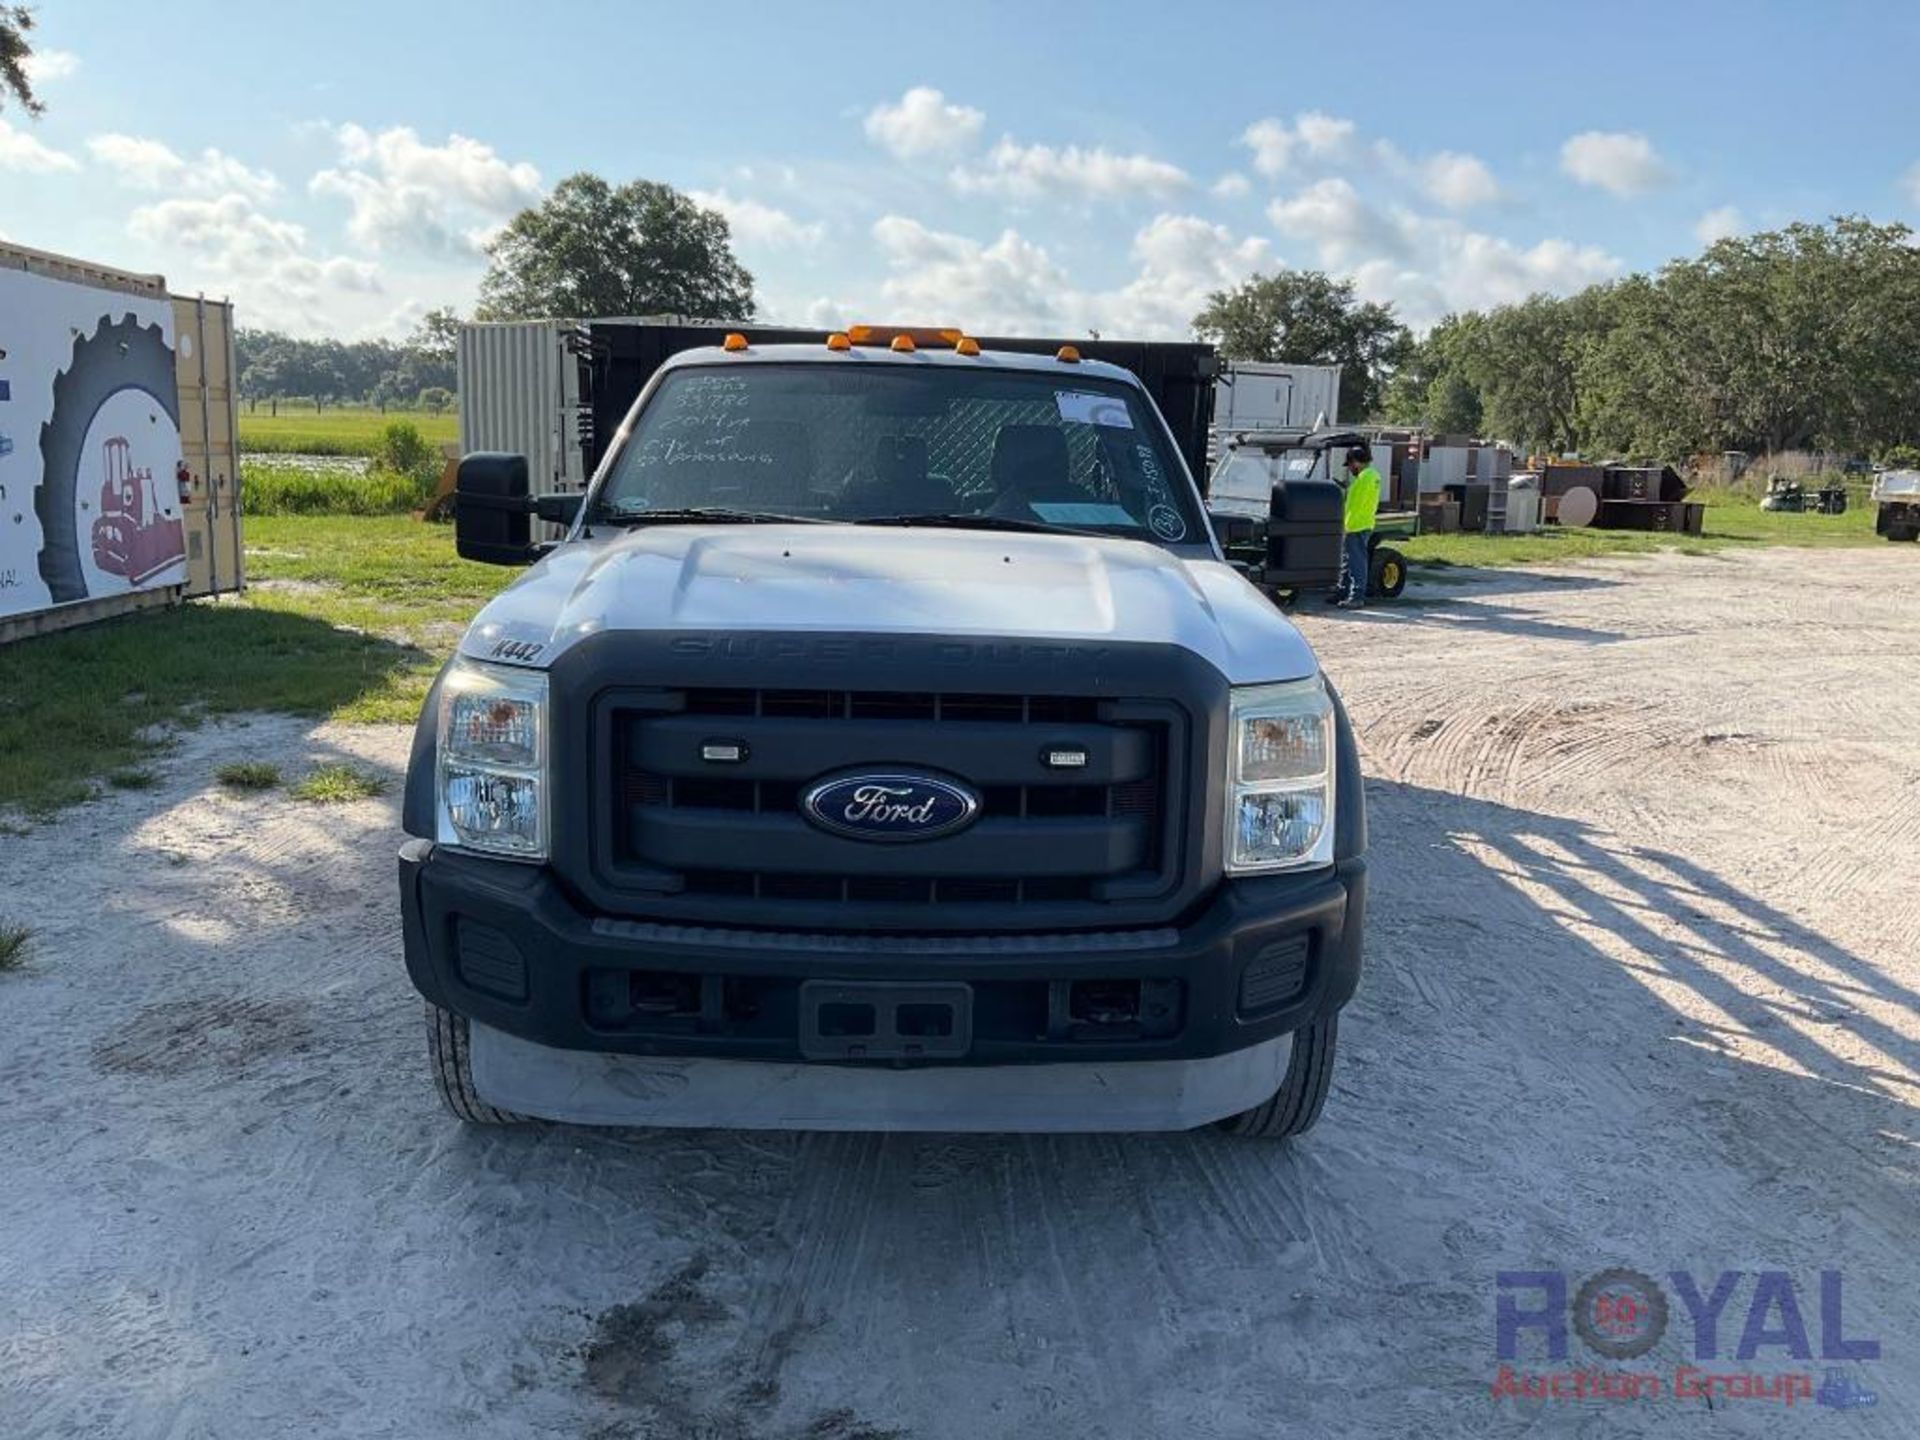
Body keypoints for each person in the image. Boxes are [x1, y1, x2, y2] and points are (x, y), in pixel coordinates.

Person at [1336, 443, 1381, 609]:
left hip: (1356, 525)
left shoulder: (1364, 478)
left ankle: (1356, 596)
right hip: (1361, 523)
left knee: (1356, 562)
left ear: (1356, 461)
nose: (1350, 469)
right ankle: (1343, 592)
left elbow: (1357, 505)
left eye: (1350, 465)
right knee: (1349, 561)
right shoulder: (1371, 476)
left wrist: (1347, 526)